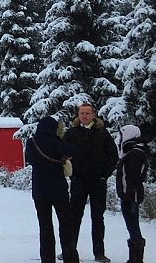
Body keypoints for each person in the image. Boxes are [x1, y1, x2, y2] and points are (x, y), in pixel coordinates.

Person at [62, 102, 119, 262]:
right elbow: (63, 154)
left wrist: (104, 175)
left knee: (98, 217)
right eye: (81, 113)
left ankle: (99, 253)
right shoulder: (72, 133)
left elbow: (113, 156)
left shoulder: (102, 133)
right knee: (74, 217)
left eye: (87, 113)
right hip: (78, 180)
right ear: (78, 115)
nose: (84, 116)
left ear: (93, 114)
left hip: (97, 181)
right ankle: (69, 251)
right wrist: (72, 173)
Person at [26, 116, 80, 263]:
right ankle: (70, 256)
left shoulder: (32, 142)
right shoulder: (57, 143)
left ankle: (47, 258)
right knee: (66, 224)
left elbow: (30, 159)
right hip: (58, 189)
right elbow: (74, 151)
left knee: (45, 227)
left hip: (40, 190)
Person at [116, 124, 148, 263]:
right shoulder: (131, 152)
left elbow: (133, 176)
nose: (120, 139)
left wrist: (129, 194)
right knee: (132, 225)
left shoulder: (134, 153)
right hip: (128, 194)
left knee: (133, 226)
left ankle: (136, 259)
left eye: (122, 135)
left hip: (131, 195)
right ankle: (134, 257)